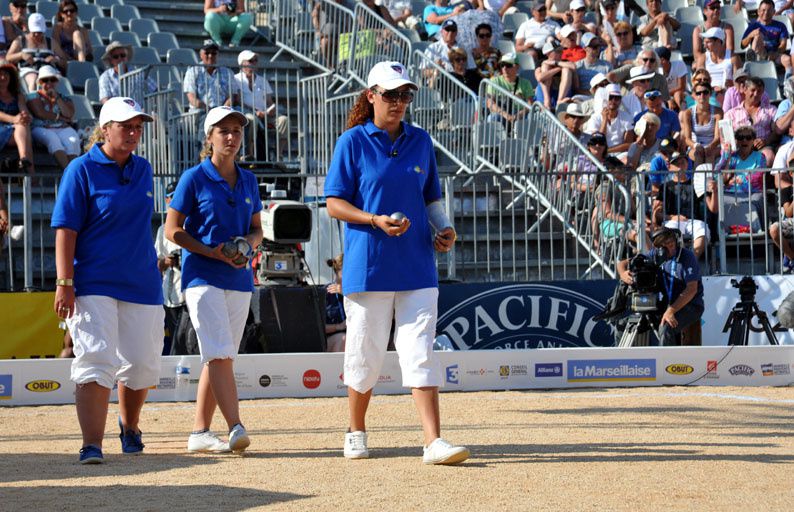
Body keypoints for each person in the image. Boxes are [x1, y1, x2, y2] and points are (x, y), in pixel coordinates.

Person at [324, 61, 469, 465]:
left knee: (420, 350)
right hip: (368, 265)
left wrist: (444, 229)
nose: (399, 102)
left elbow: (431, 199)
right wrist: (373, 220)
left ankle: (433, 441)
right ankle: (355, 430)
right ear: (371, 95)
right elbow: (333, 203)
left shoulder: (421, 140)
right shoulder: (351, 142)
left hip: (418, 264)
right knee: (365, 351)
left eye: (405, 95)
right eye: (391, 94)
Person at [51, 97, 163, 464]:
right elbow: (65, 230)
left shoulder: (144, 168)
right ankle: (92, 444)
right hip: (94, 281)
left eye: (137, 127)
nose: (133, 133)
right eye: (125, 126)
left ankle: (129, 427)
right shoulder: (80, 170)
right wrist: (64, 282)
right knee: (96, 360)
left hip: (143, 283)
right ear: (105, 129)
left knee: (143, 364)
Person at [165, 106, 263, 455]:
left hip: (238, 278)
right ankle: (235, 426)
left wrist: (245, 247)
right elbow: (171, 229)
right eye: (224, 131)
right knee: (220, 353)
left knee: (219, 355)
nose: (232, 137)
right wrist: (212, 252)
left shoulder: (249, 179)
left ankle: (199, 432)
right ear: (209, 137)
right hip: (202, 275)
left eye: (237, 130)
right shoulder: (193, 177)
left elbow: (257, 230)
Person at [616, 227, 704, 346]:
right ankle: (624, 363)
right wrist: (623, 273)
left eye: (673, 244)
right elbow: (623, 263)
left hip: (691, 305)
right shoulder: (656, 254)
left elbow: (691, 289)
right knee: (622, 324)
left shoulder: (687, 257)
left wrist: (671, 311)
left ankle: (666, 363)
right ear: (659, 248)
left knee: (666, 326)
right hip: (666, 304)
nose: (672, 248)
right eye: (667, 245)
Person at [652, 151, 710, 258]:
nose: (680, 166)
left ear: (687, 164)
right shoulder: (665, 186)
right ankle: (673, 262)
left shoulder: (696, 184)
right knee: (668, 232)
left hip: (693, 220)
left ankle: (691, 260)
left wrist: (713, 190)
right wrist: (673, 217)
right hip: (672, 221)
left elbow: (712, 207)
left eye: (682, 162)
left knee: (702, 228)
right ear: (670, 167)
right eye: (676, 164)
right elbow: (658, 214)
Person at [233, 50, 289, 160]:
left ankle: (279, 156)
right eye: (251, 61)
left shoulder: (262, 81)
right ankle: (248, 154)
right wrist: (255, 111)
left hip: (264, 114)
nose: (254, 63)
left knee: (284, 120)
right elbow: (238, 101)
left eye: (255, 60)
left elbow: (270, 102)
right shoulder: (236, 79)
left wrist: (271, 109)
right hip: (246, 113)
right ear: (242, 63)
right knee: (251, 119)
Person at [26, 65, 79, 170]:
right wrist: (61, 118)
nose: (49, 83)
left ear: (57, 82)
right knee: (53, 139)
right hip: (41, 128)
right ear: (39, 82)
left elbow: (69, 114)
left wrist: (57, 98)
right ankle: (70, 173)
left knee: (73, 141)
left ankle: (72, 174)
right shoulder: (33, 96)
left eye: (53, 80)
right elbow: (40, 113)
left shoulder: (63, 97)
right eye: (45, 80)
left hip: (61, 128)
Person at [155, 182, 185, 357]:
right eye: (172, 197)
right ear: (167, 200)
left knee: (184, 340)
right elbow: (155, 266)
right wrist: (167, 261)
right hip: (169, 295)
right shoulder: (162, 230)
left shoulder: (192, 227)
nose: (175, 201)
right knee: (175, 338)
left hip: (188, 295)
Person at [724, 77, 780, 167]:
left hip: (762, 147)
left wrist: (765, 141)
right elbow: (727, 138)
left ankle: (760, 181)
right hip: (740, 148)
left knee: (769, 156)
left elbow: (776, 131)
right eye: (753, 90)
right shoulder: (731, 114)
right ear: (745, 90)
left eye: (759, 91)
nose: (756, 94)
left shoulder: (771, 110)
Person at [6, 13, 66, 91]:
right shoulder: (20, 40)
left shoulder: (51, 42)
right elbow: (8, 58)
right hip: (28, 69)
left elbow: (64, 62)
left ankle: (55, 101)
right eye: (34, 32)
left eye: (40, 32)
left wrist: (56, 59)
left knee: (56, 80)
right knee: (33, 80)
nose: (37, 34)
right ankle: (33, 100)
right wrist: (21, 55)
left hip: (47, 69)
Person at [0, 62, 34, 176]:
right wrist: (14, 119)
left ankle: (24, 159)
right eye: (0, 74)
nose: (3, 77)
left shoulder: (18, 95)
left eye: (6, 74)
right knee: (23, 128)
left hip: (14, 131)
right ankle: (30, 171)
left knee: (24, 124)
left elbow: (23, 110)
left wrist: (25, 116)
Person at [184, 40, 236, 112]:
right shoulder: (192, 72)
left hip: (223, 112)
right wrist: (208, 110)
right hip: (201, 111)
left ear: (218, 55)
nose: (210, 55)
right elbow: (191, 97)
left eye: (213, 53)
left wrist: (222, 110)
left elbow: (232, 96)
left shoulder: (227, 72)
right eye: (207, 53)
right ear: (201, 55)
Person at [680, 82, 723, 166]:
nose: (702, 95)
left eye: (705, 92)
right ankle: (698, 179)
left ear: (710, 94)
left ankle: (709, 178)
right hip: (695, 146)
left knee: (709, 153)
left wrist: (710, 147)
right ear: (694, 96)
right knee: (699, 154)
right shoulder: (688, 113)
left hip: (713, 146)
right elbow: (687, 139)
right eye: (698, 93)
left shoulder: (718, 112)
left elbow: (717, 138)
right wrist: (696, 145)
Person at [584, 83, 635, 154]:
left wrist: (607, 151)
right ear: (605, 99)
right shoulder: (595, 118)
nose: (613, 101)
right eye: (610, 97)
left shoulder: (627, 117)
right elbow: (598, 141)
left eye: (617, 98)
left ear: (620, 100)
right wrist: (604, 120)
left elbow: (628, 144)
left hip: (619, 154)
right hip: (598, 154)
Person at [742, 0, 789, 70]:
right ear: (758, 11)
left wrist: (775, 53)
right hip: (759, 54)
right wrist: (750, 35)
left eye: (769, 10)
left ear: (774, 12)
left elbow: (783, 44)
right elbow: (743, 45)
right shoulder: (753, 26)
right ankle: (753, 61)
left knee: (787, 60)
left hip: (774, 54)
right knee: (758, 35)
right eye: (763, 10)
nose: (766, 13)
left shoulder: (780, 26)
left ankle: (789, 80)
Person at [534, 40, 575, 110]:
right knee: (545, 67)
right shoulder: (541, 62)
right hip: (546, 94)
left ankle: (560, 100)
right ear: (548, 53)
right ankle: (547, 99)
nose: (561, 53)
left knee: (566, 70)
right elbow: (539, 78)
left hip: (561, 93)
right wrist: (558, 69)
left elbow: (573, 66)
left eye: (561, 51)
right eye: (558, 52)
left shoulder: (564, 62)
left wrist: (556, 63)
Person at [696, 27, 733, 103]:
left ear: (719, 41)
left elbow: (739, 82)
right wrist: (711, 88)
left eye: (708, 42)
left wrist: (726, 88)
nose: (705, 46)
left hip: (729, 93)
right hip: (708, 92)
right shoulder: (702, 58)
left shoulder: (733, 58)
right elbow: (699, 81)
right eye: (704, 42)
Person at [325, 253, 346, 353]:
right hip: (333, 339)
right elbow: (318, 328)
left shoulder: (359, 292)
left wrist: (347, 294)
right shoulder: (326, 293)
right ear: (338, 270)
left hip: (358, 336)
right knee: (344, 339)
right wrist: (339, 326)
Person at [655, 47, 687, 112]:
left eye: (655, 59)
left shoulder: (679, 64)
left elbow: (681, 87)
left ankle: (684, 112)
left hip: (680, 94)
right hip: (663, 96)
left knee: (677, 94)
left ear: (663, 60)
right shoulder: (656, 70)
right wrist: (668, 99)